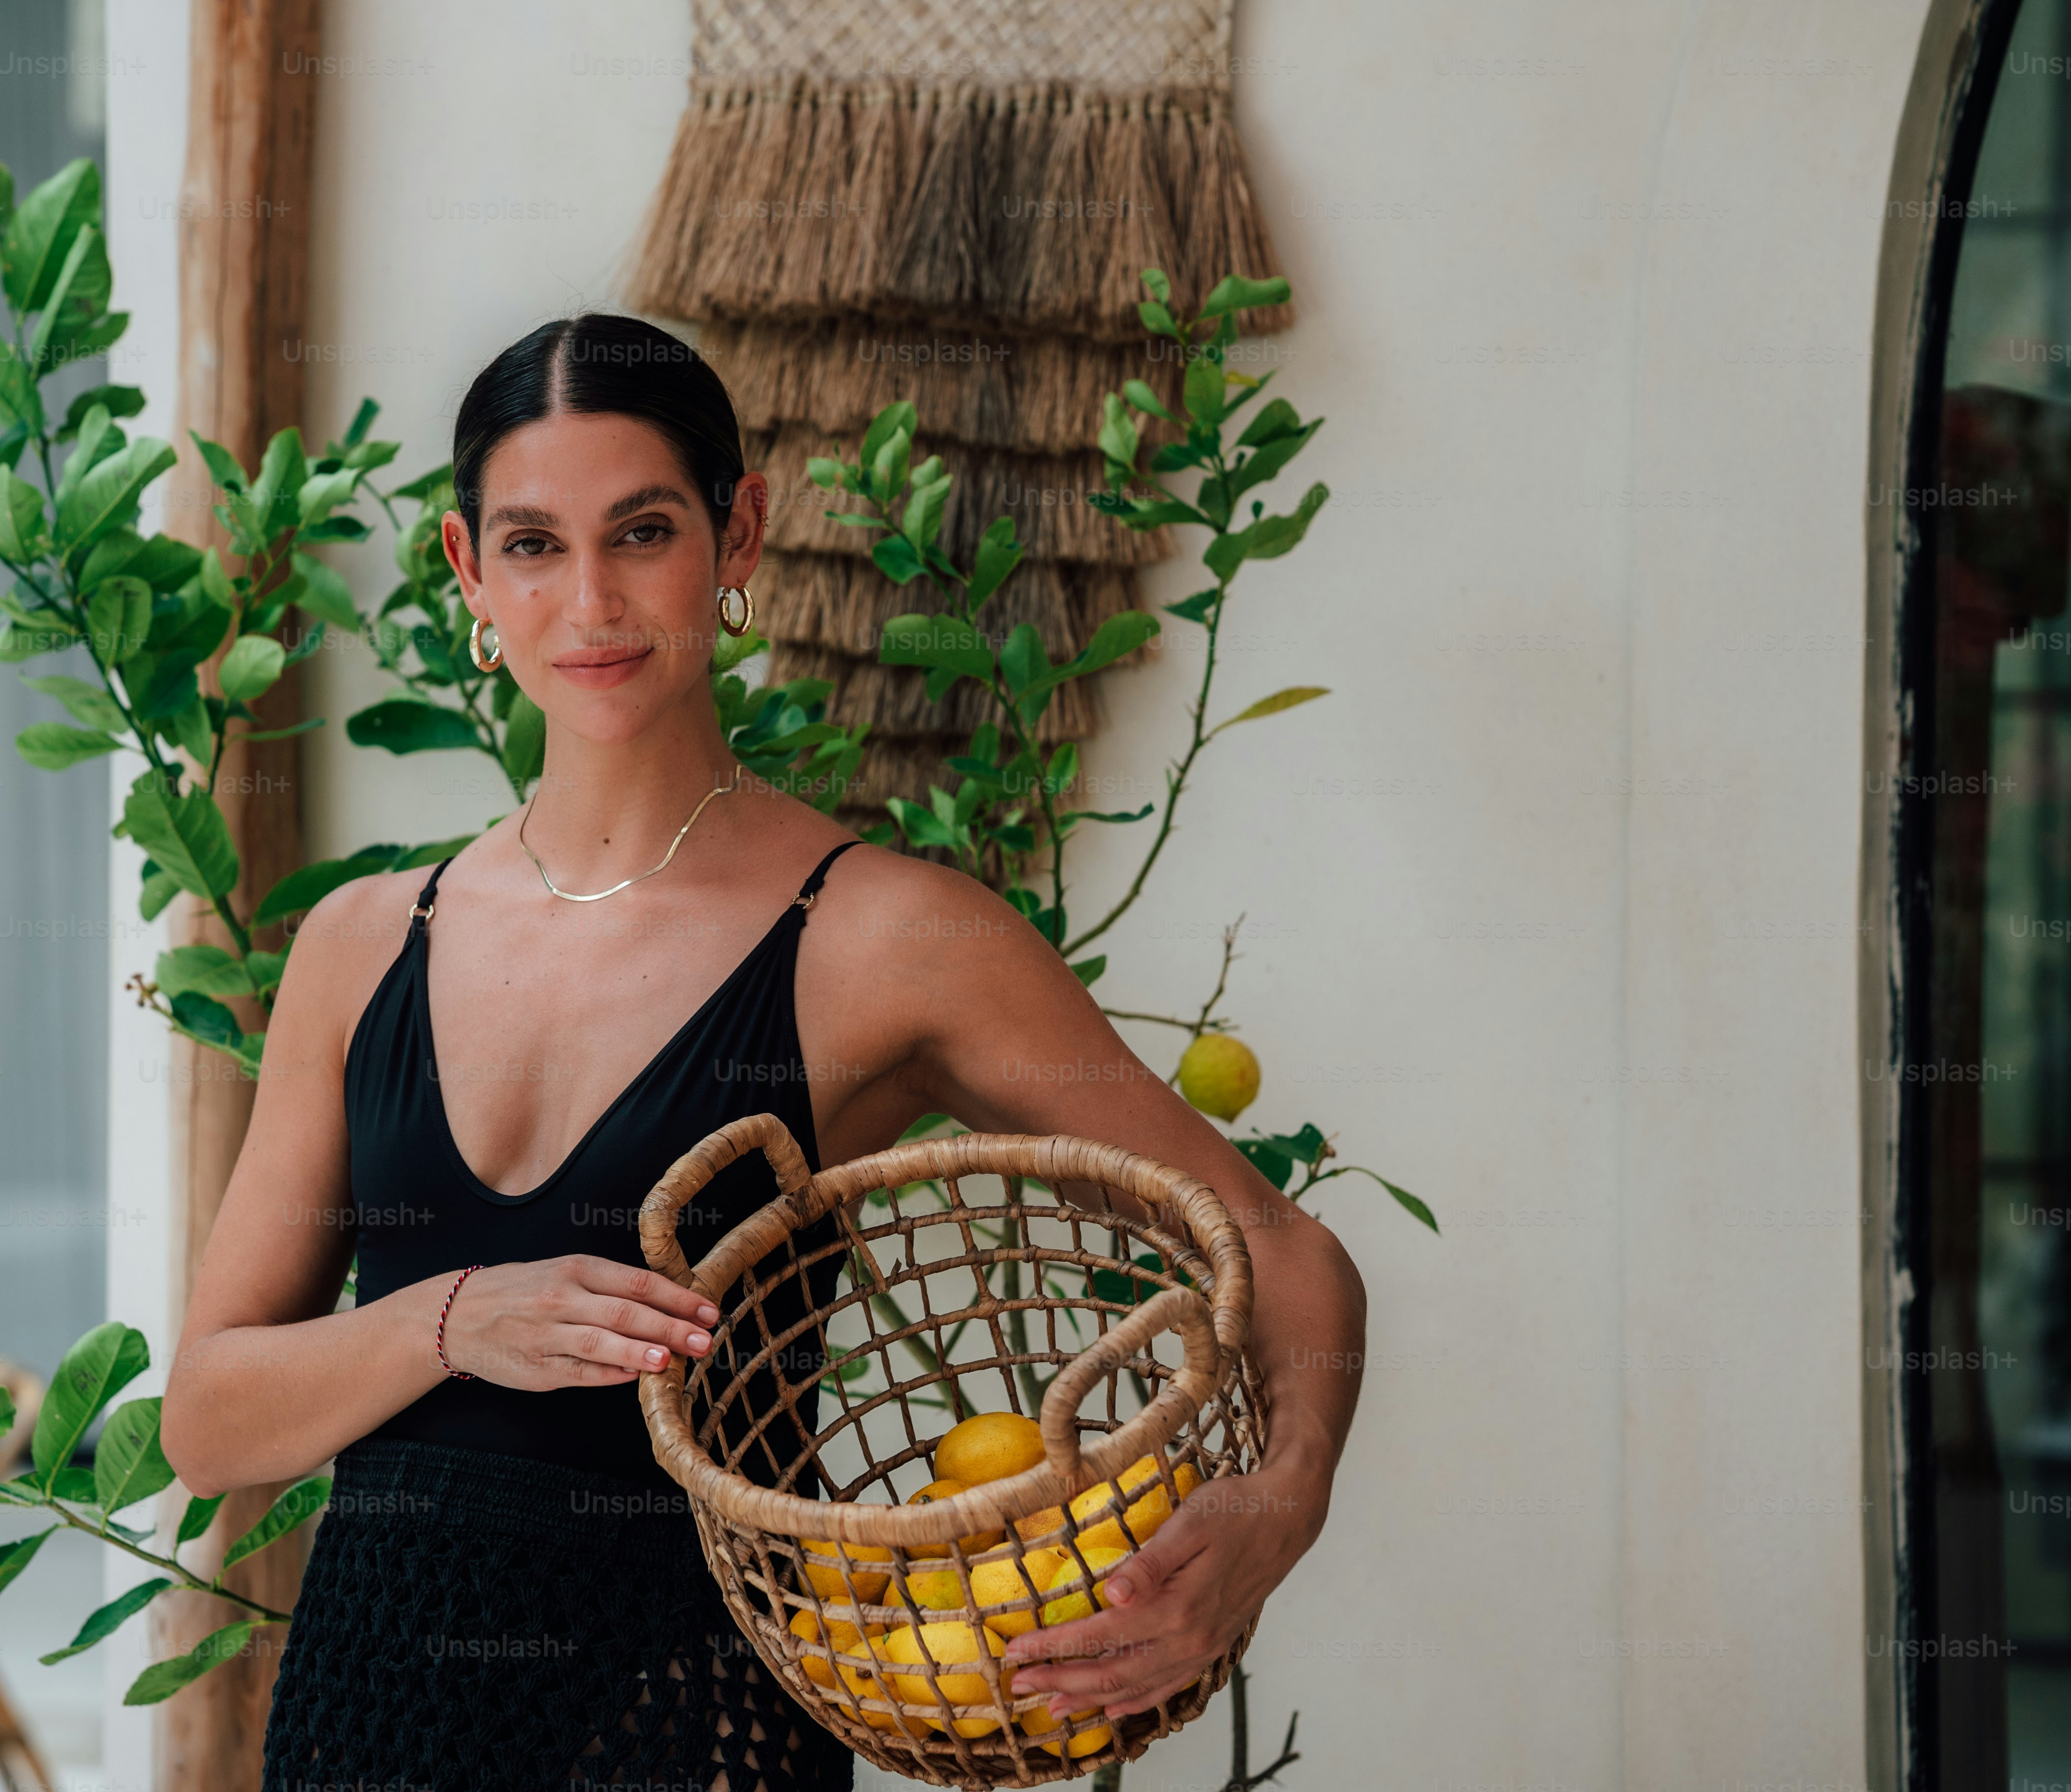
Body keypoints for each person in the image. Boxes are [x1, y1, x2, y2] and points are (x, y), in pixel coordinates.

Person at [157, 314, 1369, 1791]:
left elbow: (1283, 1254)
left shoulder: (886, 938)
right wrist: (452, 1316)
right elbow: (209, 1419)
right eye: (534, 545)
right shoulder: (360, 944)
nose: (591, 600)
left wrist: (1271, 1511)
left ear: (737, 538)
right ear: (469, 574)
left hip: (693, 1725)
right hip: (365, 1721)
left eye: (643, 530)